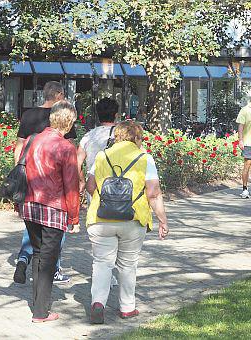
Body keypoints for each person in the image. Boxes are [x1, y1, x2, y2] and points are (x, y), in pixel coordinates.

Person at [85, 121, 169, 323]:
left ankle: (98, 303)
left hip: (101, 217)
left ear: (117, 136)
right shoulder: (145, 158)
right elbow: (153, 193)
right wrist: (162, 220)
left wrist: (107, 199)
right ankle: (127, 307)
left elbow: (89, 186)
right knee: (128, 264)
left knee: (102, 263)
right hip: (133, 218)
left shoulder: (101, 156)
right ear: (137, 137)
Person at [17, 100, 80, 323]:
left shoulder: (33, 140)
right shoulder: (66, 147)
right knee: (48, 259)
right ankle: (41, 312)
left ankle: (38, 305)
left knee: (37, 254)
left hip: (30, 205)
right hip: (53, 207)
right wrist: (74, 217)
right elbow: (71, 185)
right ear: (70, 121)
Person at [13, 81, 77, 285]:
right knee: (54, 229)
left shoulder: (29, 115)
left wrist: (18, 172)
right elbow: (70, 152)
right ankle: (54, 269)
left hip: (29, 177)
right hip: (53, 185)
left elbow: (19, 146)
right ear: (58, 95)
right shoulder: (62, 117)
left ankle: (23, 259)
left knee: (32, 223)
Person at [77, 97, 120, 287]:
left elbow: (77, 162)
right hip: (119, 189)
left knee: (99, 230)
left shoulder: (88, 137)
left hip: (93, 188)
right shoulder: (121, 135)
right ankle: (114, 269)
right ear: (116, 115)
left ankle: (104, 269)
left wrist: (81, 181)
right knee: (119, 229)